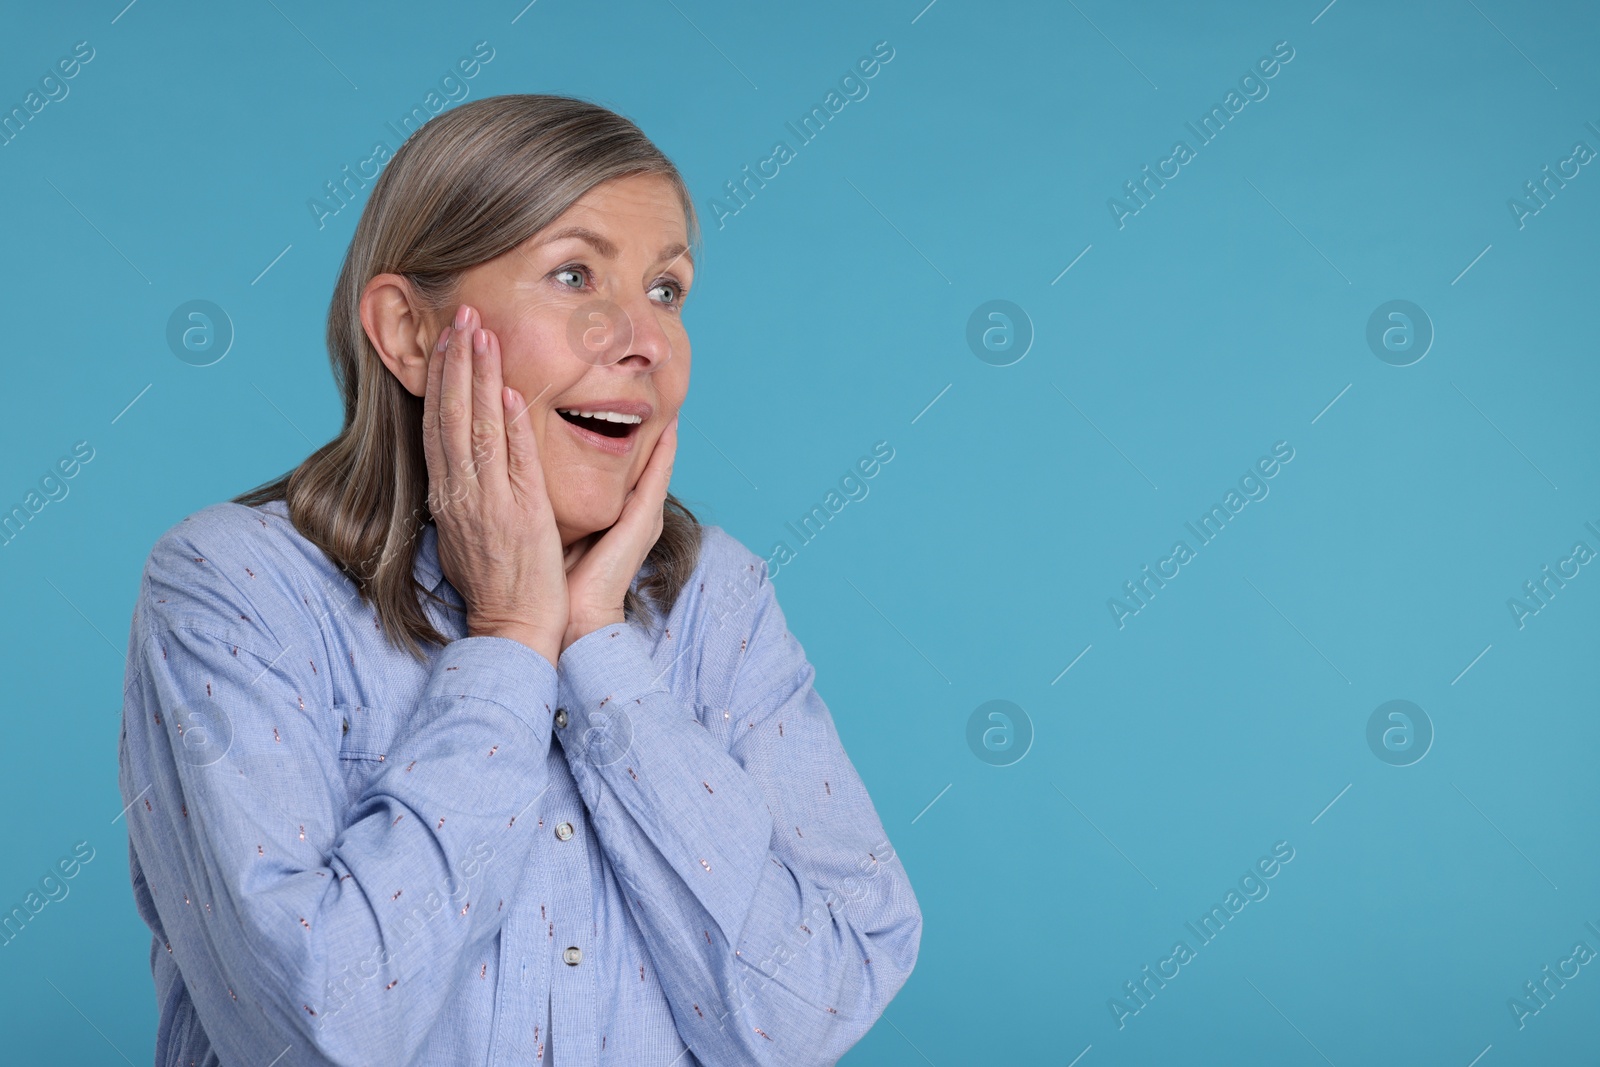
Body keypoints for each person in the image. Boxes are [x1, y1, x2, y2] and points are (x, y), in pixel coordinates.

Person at [118, 94, 921, 1066]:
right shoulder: (232, 583)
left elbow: (814, 1010)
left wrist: (598, 649)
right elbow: (322, 1028)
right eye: (575, 273)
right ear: (410, 334)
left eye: (668, 290)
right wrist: (508, 640)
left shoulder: (719, 596)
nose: (645, 340)